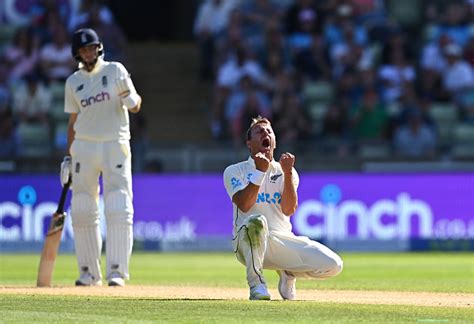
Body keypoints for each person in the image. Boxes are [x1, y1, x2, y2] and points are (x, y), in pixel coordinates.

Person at [223, 116, 343, 300]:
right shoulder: (235, 171)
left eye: (269, 131)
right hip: (246, 243)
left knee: (334, 265)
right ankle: (257, 285)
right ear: (249, 144)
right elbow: (244, 204)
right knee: (257, 222)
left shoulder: (286, 171)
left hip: (281, 241)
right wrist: (260, 172)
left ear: (275, 142)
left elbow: (289, 209)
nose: (266, 133)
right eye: (260, 131)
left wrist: (287, 174)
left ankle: (289, 273)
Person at [59, 28, 142, 287]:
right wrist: (68, 156)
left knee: (118, 204)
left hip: (114, 144)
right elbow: (73, 122)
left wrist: (127, 95)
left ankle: (117, 271)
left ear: (99, 47)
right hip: (84, 147)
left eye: (92, 47)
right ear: (77, 54)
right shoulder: (73, 82)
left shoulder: (116, 70)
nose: (89, 52)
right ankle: (88, 273)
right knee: (83, 207)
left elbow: (136, 105)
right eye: (84, 49)